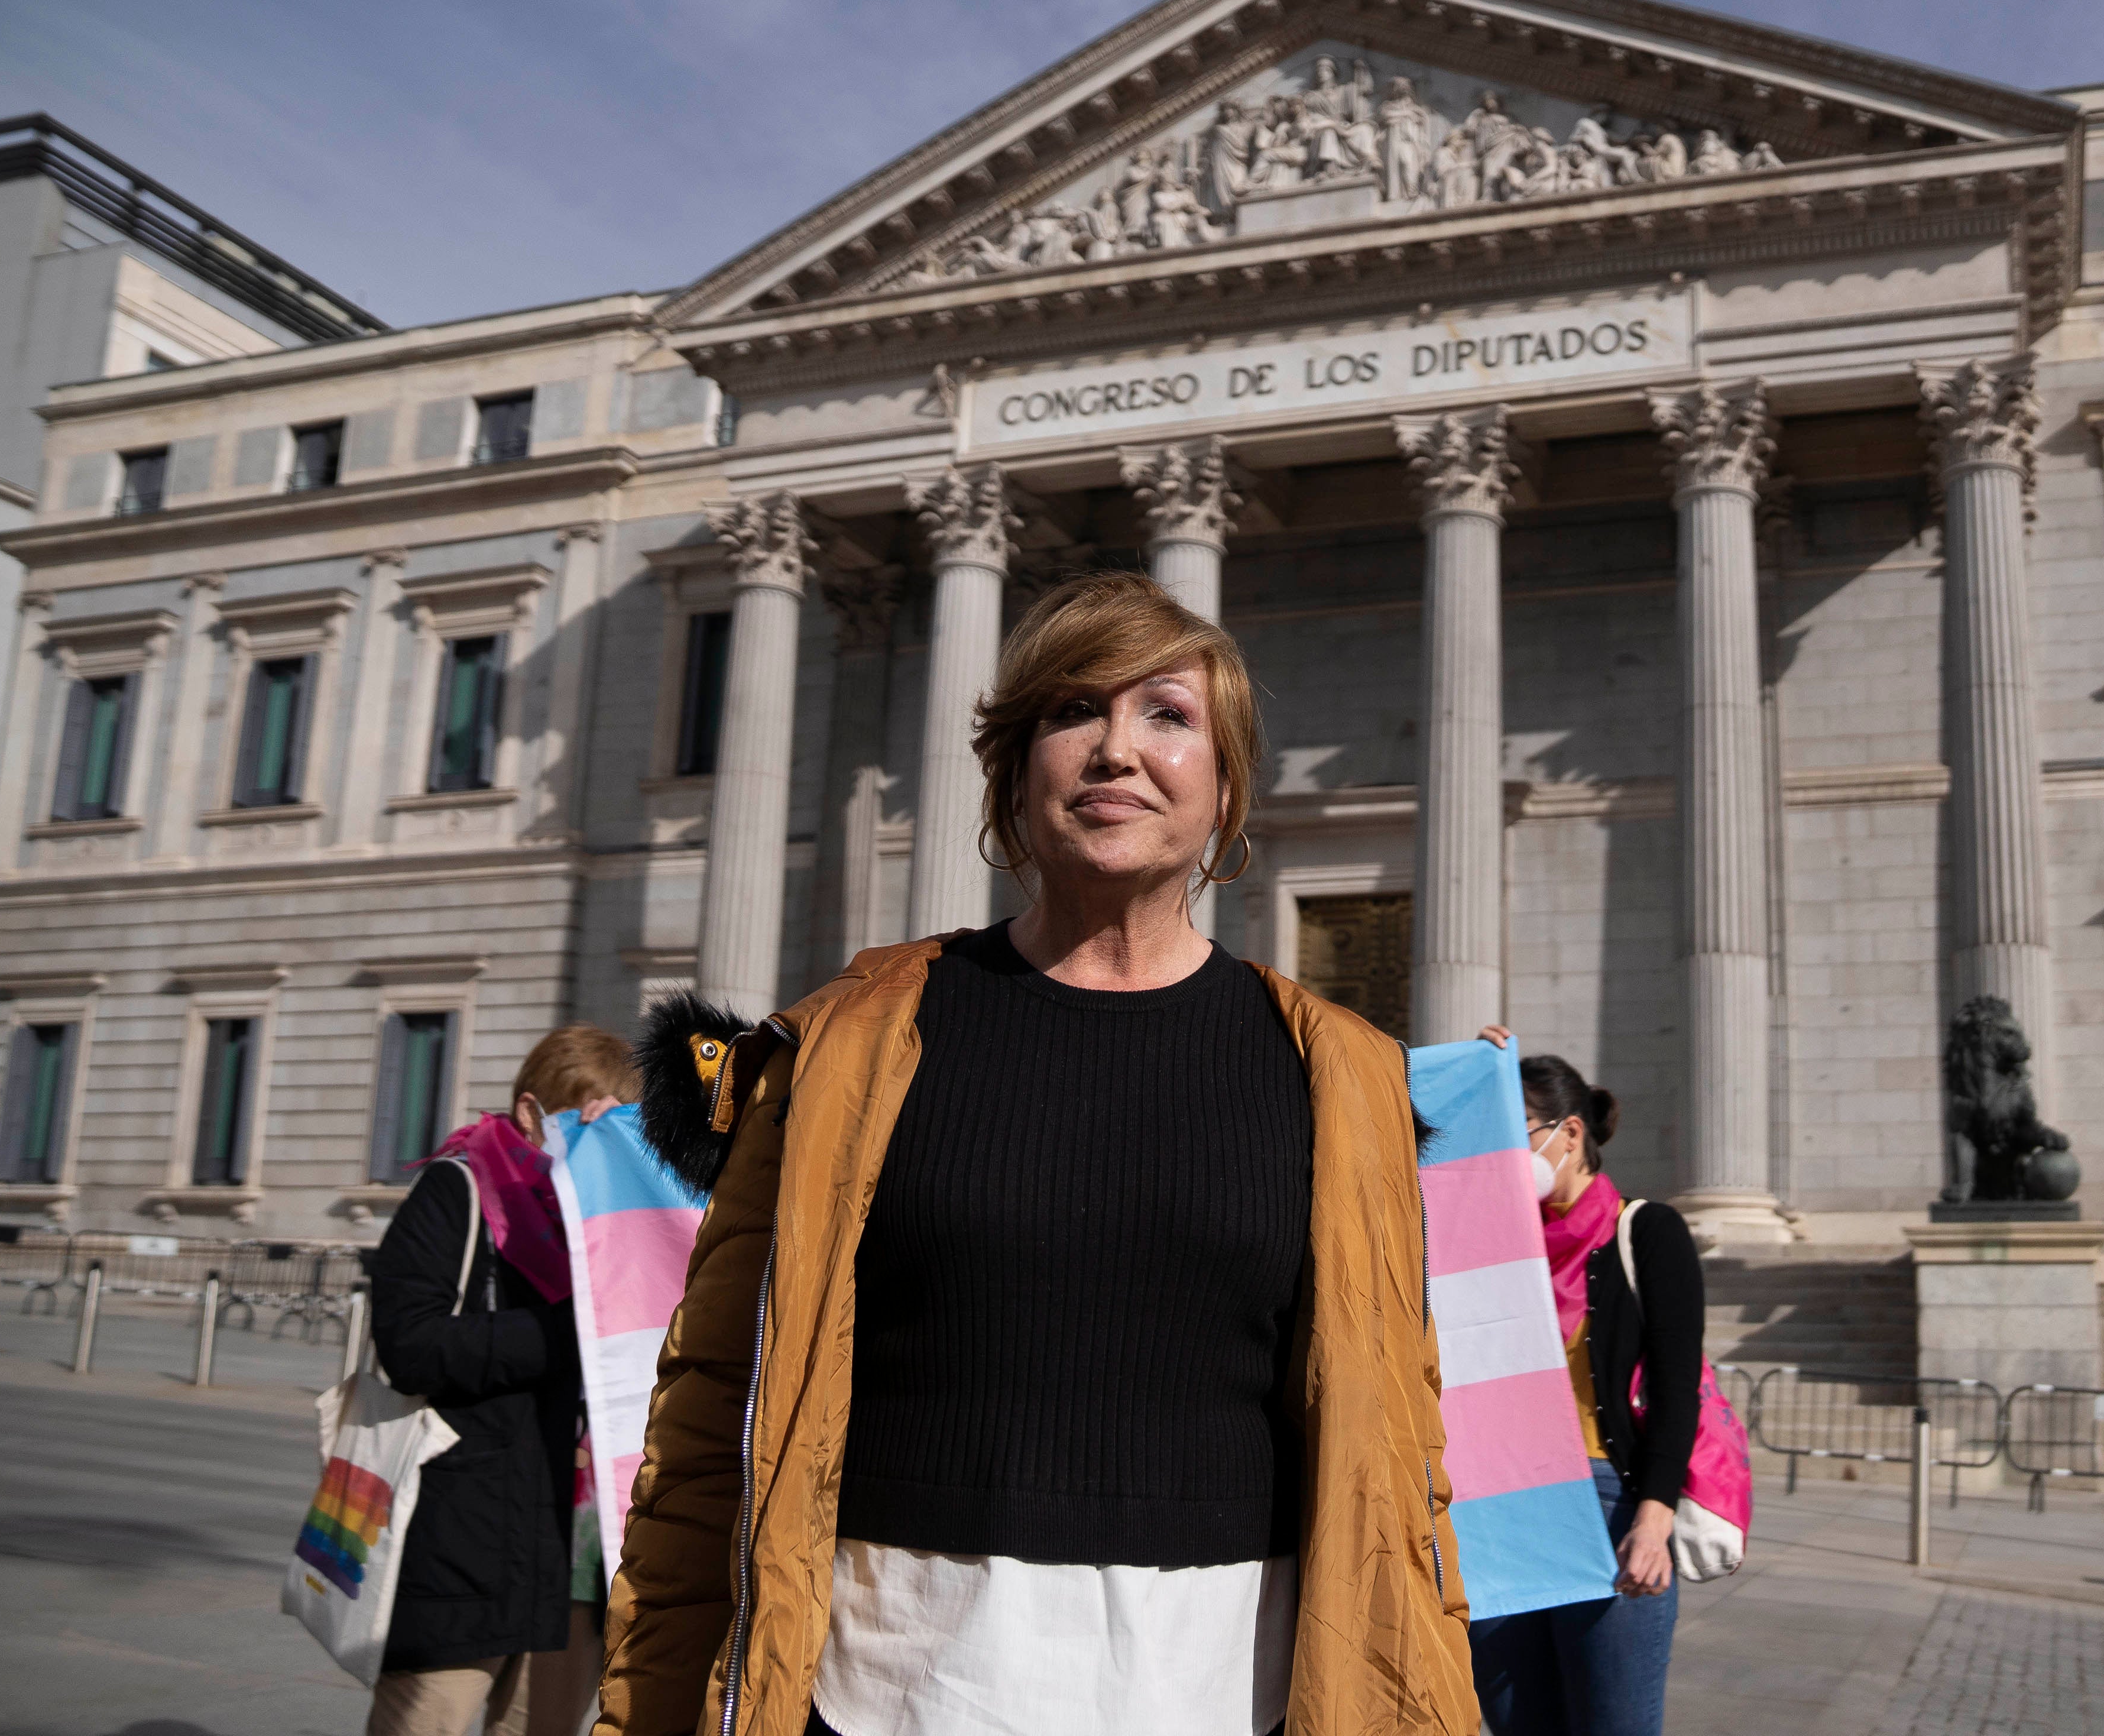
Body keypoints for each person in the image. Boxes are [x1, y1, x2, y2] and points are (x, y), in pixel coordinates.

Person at [598, 572, 1476, 1736]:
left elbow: (1398, 1440)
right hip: (894, 1689)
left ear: (1225, 790)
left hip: (1228, 1690)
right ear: (1016, 773)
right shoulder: (847, 1047)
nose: (1119, 750)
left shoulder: (1344, 1075)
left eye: (1168, 716)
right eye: (1073, 712)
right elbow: (713, 1412)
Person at [366, 1024, 636, 1736]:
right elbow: (411, 1345)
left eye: (611, 1121)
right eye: (579, 1119)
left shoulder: (608, 1220)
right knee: (430, 1718)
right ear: (528, 1112)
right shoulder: (459, 1189)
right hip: (462, 1534)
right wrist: (566, 1333)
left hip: (568, 1551)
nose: (592, 1138)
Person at [1462, 1031, 1704, 1736]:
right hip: (1503, 1515)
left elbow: (1676, 1384)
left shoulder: (1648, 1231)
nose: (1505, 1157)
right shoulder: (1492, 1239)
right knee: (1516, 1724)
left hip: (1610, 1509)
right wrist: (1473, 1083)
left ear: (1570, 1134)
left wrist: (1654, 1519)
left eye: (1517, 1136)